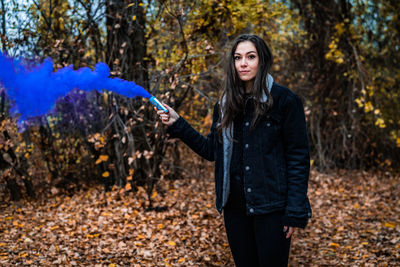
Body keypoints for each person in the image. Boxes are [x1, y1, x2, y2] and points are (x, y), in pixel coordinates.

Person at [155, 34, 312, 267]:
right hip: (235, 210)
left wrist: (295, 210)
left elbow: (298, 156)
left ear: (262, 60)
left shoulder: (284, 101)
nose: (243, 63)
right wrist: (178, 124)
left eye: (251, 57)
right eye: (238, 58)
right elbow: (211, 150)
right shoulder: (226, 104)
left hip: (271, 208)